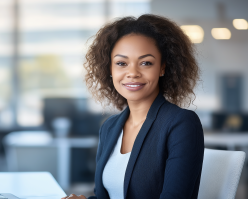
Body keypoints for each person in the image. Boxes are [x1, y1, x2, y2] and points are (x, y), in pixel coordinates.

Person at [62, 14, 204, 199]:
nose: (132, 73)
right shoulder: (109, 127)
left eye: (146, 63)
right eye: (121, 63)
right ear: (110, 70)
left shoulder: (180, 123)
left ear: (162, 67)